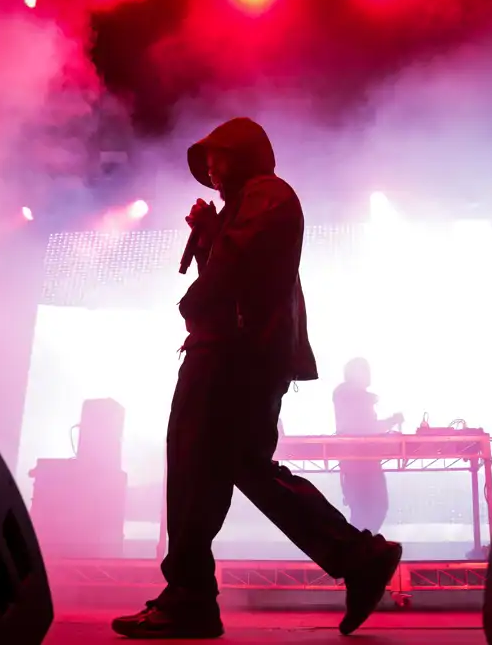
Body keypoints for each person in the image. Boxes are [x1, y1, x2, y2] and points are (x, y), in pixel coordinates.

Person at [112, 118, 402, 639]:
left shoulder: (268, 193)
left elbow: (234, 270)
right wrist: (208, 235)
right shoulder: (251, 203)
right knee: (239, 466)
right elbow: (233, 265)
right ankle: (355, 556)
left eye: (217, 156)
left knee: (194, 464)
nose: (210, 168)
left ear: (244, 153)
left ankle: (191, 597)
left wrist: (194, 299)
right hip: (240, 353)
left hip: (233, 355)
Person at [333, 358, 404, 534]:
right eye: (365, 370)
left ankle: (359, 551)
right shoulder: (349, 394)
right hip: (360, 463)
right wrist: (391, 422)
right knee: (371, 511)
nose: (369, 374)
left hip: (360, 462)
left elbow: (364, 426)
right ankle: (358, 552)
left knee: (367, 512)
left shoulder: (347, 394)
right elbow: (364, 427)